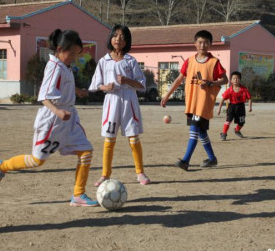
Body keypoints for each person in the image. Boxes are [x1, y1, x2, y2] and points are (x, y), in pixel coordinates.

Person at [0, 29, 98, 207]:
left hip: (69, 120)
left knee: (86, 151)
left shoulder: (65, 66)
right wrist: (58, 112)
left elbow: (63, 86)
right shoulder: (54, 67)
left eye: (77, 54)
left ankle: (78, 194)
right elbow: (43, 97)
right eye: (71, 53)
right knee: (36, 160)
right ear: (60, 48)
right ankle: (0, 167)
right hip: (53, 121)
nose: (74, 57)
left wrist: (77, 91)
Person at [88, 24, 151, 186]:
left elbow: (142, 85)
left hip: (129, 100)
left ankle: (140, 173)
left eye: (122, 37)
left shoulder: (131, 61)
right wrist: (104, 87)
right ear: (110, 38)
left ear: (127, 41)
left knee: (133, 137)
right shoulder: (104, 61)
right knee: (109, 138)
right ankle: (105, 174)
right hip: (111, 101)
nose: (118, 40)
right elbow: (95, 84)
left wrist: (127, 81)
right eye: (115, 36)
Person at [160, 30, 228, 171]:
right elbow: (179, 79)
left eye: (206, 42)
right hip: (192, 102)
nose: (202, 45)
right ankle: (212, 158)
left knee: (194, 130)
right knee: (201, 131)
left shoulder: (214, 62)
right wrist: (167, 95)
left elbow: (225, 79)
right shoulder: (189, 61)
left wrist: (211, 83)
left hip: (204, 103)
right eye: (200, 42)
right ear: (195, 44)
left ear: (210, 44)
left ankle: (186, 161)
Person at [217, 71, 252, 140]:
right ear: (231, 80)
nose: (235, 80)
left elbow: (249, 98)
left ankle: (237, 130)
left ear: (240, 80)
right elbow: (223, 99)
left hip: (241, 107)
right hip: (232, 107)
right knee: (228, 120)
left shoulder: (244, 89)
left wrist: (250, 107)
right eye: (234, 78)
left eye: (237, 78)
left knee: (241, 122)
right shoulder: (229, 90)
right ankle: (224, 134)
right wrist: (219, 108)